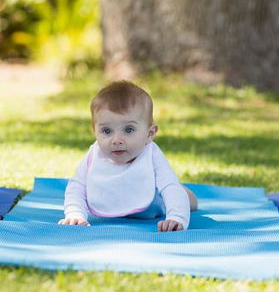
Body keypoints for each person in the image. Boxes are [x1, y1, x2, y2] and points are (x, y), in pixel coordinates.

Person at [58, 80, 197, 231]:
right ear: (95, 130)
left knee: (182, 195)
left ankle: (188, 194)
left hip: (154, 205)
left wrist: (176, 218)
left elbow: (170, 187)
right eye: (107, 131)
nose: (117, 140)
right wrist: (75, 214)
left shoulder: (151, 154)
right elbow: (77, 186)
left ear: (149, 134)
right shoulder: (94, 154)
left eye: (129, 130)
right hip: (116, 201)